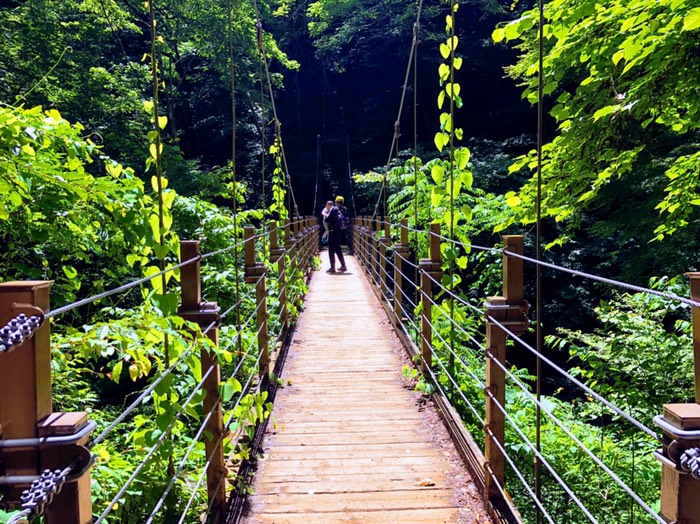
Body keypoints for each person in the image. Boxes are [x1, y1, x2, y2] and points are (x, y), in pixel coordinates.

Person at [324, 196, 347, 273]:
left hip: (332, 231)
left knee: (331, 249)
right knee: (337, 248)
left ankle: (332, 267)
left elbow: (328, 220)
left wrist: (325, 215)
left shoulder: (334, 209)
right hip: (339, 231)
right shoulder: (344, 209)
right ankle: (343, 266)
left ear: (336, 201)